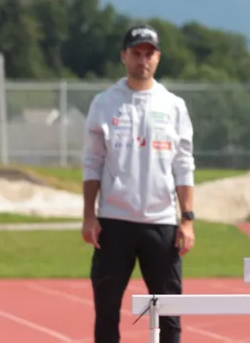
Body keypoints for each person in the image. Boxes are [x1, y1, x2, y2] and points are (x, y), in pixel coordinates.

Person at [81, 24, 197, 343]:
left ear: (158, 58)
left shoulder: (173, 106)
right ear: (124, 56)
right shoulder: (104, 103)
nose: (142, 60)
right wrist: (89, 215)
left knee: (170, 313)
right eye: (136, 53)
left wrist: (186, 220)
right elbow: (92, 162)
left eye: (149, 54)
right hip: (114, 221)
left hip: (160, 223)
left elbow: (183, 164)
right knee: (106, 310)